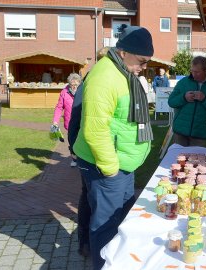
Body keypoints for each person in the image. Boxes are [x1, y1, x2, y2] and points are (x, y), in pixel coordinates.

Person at [72, 24, 154, 269]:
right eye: (141, 61)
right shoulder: (105, 77)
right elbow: (95, 130)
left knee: (120, 219)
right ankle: (103, 264)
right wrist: (110, 168)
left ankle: (117, 261)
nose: (144, 67)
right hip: (108, 166)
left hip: (121, 164)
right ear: (122, 53)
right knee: (106, 225)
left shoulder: (121, 72)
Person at [67, 46, 110, 258]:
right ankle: (89, 244)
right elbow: (76, 114)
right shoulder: (93, 81)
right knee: (93, 199)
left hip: (86, 149)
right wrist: (73, 146)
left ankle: (85, 244)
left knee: (88, 197)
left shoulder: (91, 78)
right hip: (90, 151)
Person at [168, 56, 206, 147]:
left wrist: (204, 99)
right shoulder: (183, 82)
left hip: (200, 134)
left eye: (197, 72)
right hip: (180, 132)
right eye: (192, 71)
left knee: (197, 161)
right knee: (179, 159)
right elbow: (171, 102)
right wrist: (184, 97)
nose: (193, 74)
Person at [52, 73, 82, 166]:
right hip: (69, 123)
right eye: (71, 85)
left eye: (76, 85)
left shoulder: (82, 92)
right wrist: (55, 121)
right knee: (72, 141)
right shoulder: (64, 92)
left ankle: (82, 159)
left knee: (81, 141)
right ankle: (74, 158)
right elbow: (59, 107)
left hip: (81, 122)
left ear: (79, 84)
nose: (73, 87)